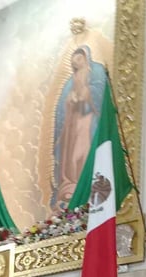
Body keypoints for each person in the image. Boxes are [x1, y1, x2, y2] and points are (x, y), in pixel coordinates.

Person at [53, 45, 106, 208]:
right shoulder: (71, 81)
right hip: (73, 122)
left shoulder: (95, 72)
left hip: (88, 118)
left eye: (78, 59)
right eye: (73, 61)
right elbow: (63, 106)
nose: (76, 63)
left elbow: (100, 92)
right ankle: (71, 185)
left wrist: (87, 93)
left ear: (85, 58)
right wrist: (70, 99)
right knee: (71, 155)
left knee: (83, 151)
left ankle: (87, 183)